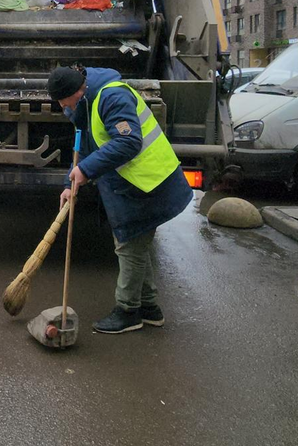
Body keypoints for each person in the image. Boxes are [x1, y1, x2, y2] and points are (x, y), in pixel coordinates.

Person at [48, 64, 193, 334]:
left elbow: (128, 142)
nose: (61, 106)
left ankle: (128, 311)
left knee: (129, 244)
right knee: (135, 243)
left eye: (62, 100)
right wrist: (71, 180)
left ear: (76, 91)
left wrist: (86, 170)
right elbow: (85, 146)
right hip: (133, 182)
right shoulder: (87, 101)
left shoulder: (112, 97)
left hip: (150, 181)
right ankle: (149, 308)